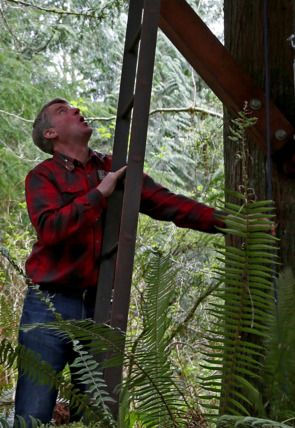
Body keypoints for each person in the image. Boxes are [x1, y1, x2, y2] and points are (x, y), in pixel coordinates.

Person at [14, 98, 225, 426]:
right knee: (34, 412)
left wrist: (227, 222)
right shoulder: (43, 176)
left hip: (101, 307)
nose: (74, 110)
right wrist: (102, 192)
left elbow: (169, 204)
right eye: (62, 110)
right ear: (52, 133)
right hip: (49, 305)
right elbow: (51, 229)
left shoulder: (113, 168)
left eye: (72, 107)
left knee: (99, 414)